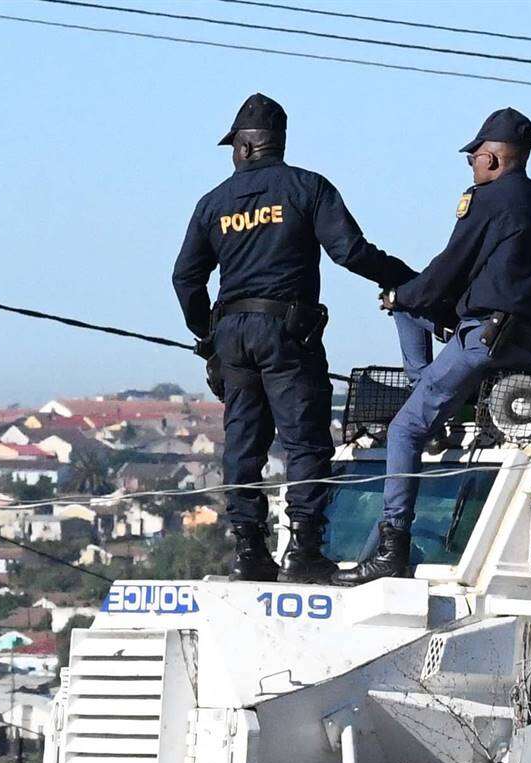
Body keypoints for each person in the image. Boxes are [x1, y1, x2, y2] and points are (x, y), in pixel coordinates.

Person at [172, 93, 414, 584]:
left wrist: (207, 338)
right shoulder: (307, 188)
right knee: (303, 439)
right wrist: (409, 281)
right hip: (286, 330)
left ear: (242, 147)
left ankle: (249, 552)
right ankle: (304, 549)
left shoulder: (212, 203)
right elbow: (351, 252)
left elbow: (186, 280)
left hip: (233, 333)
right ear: (276, 144)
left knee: (243, 441)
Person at [333, 108, 531, 586]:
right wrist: (417, 301)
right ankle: (431, 399)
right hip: (530, 344)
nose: (470, 167)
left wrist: (402, 294)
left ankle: (390, 547)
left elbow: (451, 264)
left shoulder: (488, 198)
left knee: (404, 430)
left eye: (473, 159)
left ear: (492, 158)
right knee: (412, 315)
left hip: (485, 338)